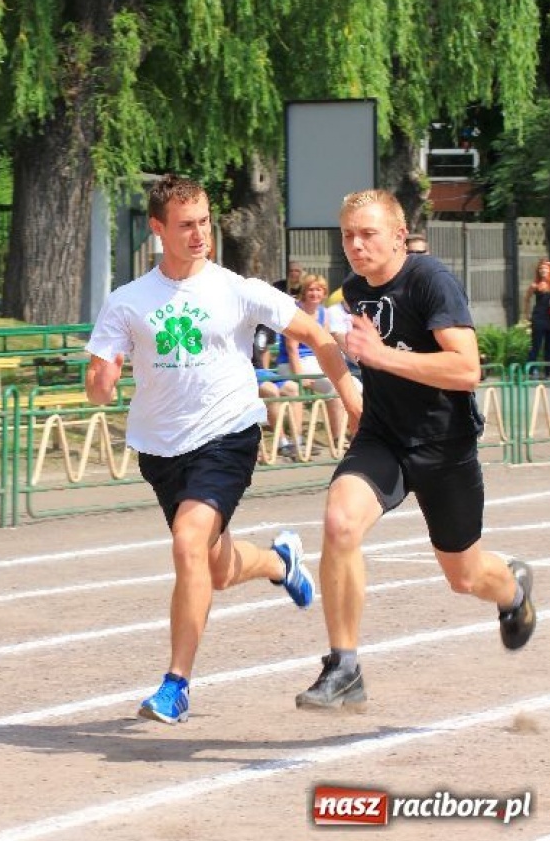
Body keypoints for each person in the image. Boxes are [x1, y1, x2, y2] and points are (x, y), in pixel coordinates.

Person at [85, 174, 362, 725]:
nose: (199, 234)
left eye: (204, 222)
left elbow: (315, 334)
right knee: (212, 566)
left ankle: (175, 686)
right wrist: (104, 378)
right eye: (185, 225)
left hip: (228, 434)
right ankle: (280, 563)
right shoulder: (127, 301)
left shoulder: (237, 288)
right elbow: (98, 384)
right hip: (162, 450)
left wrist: (351, 399)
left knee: (189, 544)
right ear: (158, 229)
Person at [295, 189, 536, 712]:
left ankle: (513, 591)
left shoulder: (431, 281)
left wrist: (382, 357)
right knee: (339, 523)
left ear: (400, 236)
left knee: (464, 576)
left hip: (444, 447)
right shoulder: (355, 290)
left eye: (367, 234)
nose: (355, 246)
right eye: (348, 236)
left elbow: (467, 370)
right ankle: (345, 667)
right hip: (383, 438)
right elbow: (349, 351)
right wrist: (354, 390)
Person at [274, 274, 347, 439]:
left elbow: (325, 344)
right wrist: (301, 377)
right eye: (311, 290)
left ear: (324, 293)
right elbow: (291, 348)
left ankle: (342, 437)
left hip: (314, 362)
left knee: (347, 386)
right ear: (304, 292)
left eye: (319, 290)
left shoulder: (324, 313)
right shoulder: (295, 312)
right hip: (292, 364)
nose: (315, 294)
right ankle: (333, 438)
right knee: (334, 388)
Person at [253, 325, 304, 458]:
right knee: (271, 391)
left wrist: (265, 370)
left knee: (293, 389)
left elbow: (265, 350)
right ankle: (282, 443)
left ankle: (297, 442)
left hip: (261, 372)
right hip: (244, 373)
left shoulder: (265, 324)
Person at [522, 257, 550, 378]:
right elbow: (527, 299)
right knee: (536, 345)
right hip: (538, 318)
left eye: (545, 268)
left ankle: (548, 371)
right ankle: (531, 370)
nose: (542, 270)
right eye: (540, 268)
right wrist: (527, 314)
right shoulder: (535, 285)